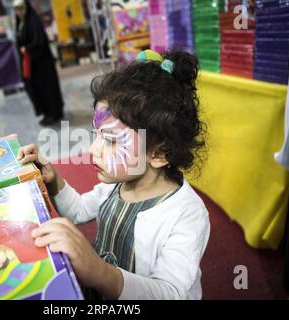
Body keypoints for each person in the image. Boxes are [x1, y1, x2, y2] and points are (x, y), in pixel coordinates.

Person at [17, 49, 211, 299]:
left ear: (159, 153)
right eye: (95, 135)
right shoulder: (117, 184)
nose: (92, 150)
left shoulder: (186, 215)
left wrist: (99, 272)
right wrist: (54, 181)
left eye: (110, 140)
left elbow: (170, 293)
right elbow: (78, 210)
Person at [13, 0, 64, 126]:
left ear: (26, 8)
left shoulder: (34, 21)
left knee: (47, 89)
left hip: (41, 64)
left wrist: (27, 48)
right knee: (37, 90)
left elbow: (39, 42)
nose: (19, 12)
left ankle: (54, 113)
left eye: (21, 9)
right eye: (17, 9)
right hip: (31, 65)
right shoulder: (21, 23)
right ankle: (46, 113)